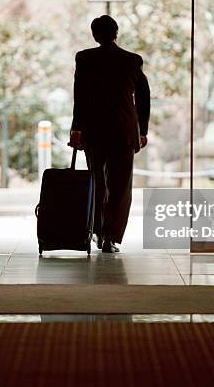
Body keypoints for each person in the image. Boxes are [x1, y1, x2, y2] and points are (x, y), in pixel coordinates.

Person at [69, 15, 150, 253]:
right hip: (124, 132)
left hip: (94, 131)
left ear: (94, 35)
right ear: (116, 33)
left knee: (97, 183)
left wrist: (77, 128)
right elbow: (143, 98)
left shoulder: (84, 58)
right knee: (120, 187)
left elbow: (80, 96)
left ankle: (96, 231)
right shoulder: (132, 60)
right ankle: (110, 238)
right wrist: (142, 130)